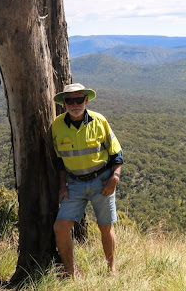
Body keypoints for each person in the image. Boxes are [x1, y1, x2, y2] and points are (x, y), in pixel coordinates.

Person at [52, 83, 123, 277]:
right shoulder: (57, 126)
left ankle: (111, 270)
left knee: (105, 227)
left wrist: (114, 179)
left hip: (102, 181)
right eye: (70, 100)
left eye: (79, 99)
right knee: (60, 227)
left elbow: (117, 154)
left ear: (86, 100)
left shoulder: (99, 121)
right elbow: (59, 160)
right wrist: (62, 187)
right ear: (64, 103)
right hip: (74, 184)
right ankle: (70, 273)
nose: (75, 104)